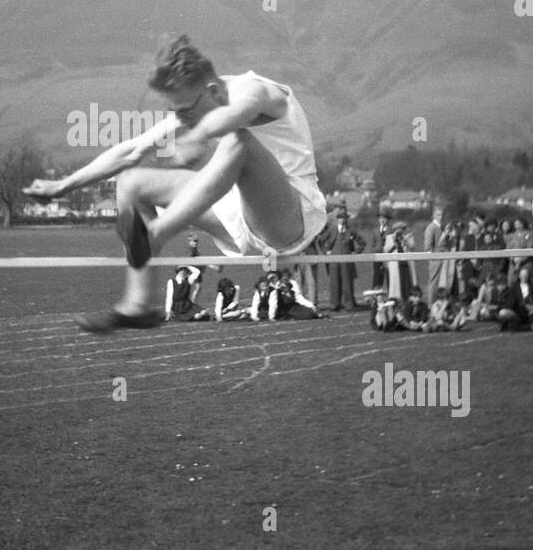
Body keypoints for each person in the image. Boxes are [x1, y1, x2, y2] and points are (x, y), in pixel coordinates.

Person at [24, 35, 328, 332]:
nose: (182, 119)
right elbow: (132, 150)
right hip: (238, 214)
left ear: (212, 90)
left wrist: (197, 137)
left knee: (239, 141)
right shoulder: (197, 104)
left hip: (291, 217)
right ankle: (138, 304)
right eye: (176, 112)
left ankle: (154, 234)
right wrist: (63, 186)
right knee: (132, 183)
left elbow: (240, 113)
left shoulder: (253, 89)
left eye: (185, 111)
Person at [317, 205, 363, 311]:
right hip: (334, 259)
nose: (342, 220)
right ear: (337, 219)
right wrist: (326, 252)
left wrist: (355, 253)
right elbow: (320, 241)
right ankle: (334, 304)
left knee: (347, 282)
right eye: (341, 218)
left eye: (344, 218)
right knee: (334, 282)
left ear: (347, 219)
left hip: (346, 260)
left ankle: (349, 304)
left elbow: (362, 243)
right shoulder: (332, 229)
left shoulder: (351, 231)